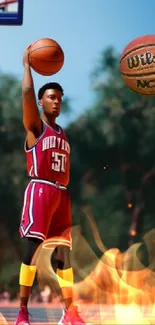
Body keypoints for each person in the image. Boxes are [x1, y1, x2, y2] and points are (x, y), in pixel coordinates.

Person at [15, 45, 88, 325]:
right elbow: (24, 94)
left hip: (61, 195)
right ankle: (23, 312)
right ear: (41, 102)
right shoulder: (35, 127)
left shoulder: (63, 132)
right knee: (32, 250)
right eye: (50, 97)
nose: (56, 102)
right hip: (40, 190)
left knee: (64, 256)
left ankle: (69, 313)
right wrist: (26, 66)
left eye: (59, 98)